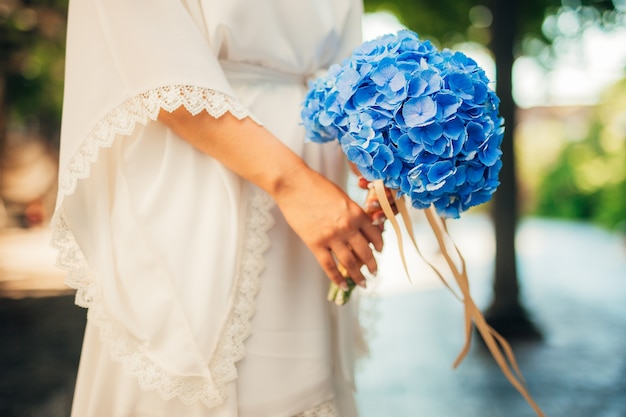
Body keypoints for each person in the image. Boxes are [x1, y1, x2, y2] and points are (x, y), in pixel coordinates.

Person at [52, 1, 384, 416]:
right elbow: (158, 68)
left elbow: (343, 66)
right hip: (205, 181)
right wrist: (294, 184)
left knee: (302, 375)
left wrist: (375, 145)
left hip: (316, 185)